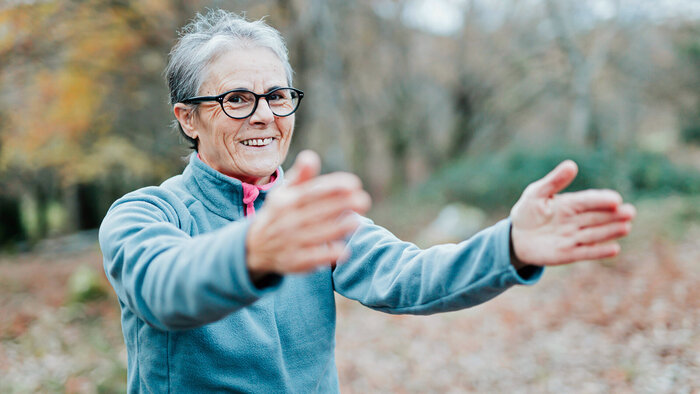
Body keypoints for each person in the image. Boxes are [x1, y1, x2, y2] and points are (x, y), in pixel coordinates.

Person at [99, 9, 636, 393]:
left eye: (277, 96)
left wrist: (512, 246)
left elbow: (411, 276)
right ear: (187, 117)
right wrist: (252, 252)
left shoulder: (315, 214)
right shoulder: (143, 214)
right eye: (236, 98)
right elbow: (163, 292)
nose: (264, 114)